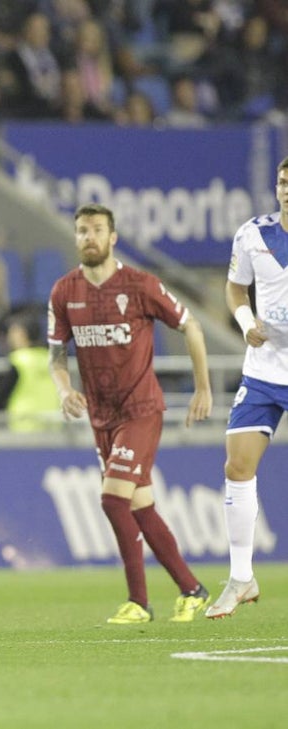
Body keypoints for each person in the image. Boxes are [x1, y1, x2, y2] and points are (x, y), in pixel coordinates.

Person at [48, 203, 212, 624]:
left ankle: (139, 602)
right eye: (82, 230)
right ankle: (191, 589)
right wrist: (65, 390)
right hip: (100, 417)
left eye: (97, 230)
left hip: (141, 410)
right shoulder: (64, 292)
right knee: (140, 506)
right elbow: (56, 358)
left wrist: (203, 387)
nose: (89, 237)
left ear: (113, 236)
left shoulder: (140, 285)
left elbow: (190, 326)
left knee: (112, 500)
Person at [207, 155, 288, 619]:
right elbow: (235, 289)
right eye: (282, 181)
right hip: (263, 370)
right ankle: (241, 577)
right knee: (237, 466)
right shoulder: (253, 234)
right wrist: (243, 321)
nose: (286, 188)